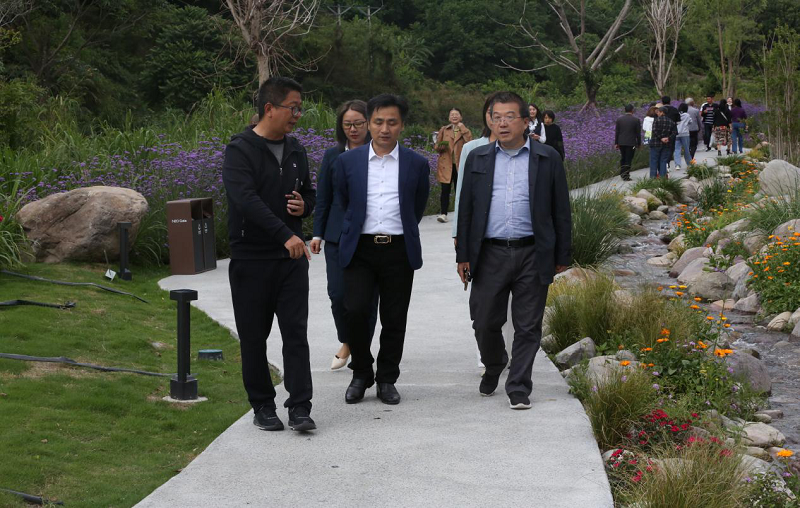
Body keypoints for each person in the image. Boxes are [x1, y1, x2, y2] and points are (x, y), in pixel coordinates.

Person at [456, 91, 572, 410]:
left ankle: (519, 385)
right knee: (483, 321)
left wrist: (562, 254)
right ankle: (495, 363)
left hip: (533, 252)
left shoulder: (547, 157)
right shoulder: (478, 158)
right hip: (489, 253)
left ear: (525, 121)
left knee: (528, 325)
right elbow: (466, 209)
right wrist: (462, 254)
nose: (502, 123)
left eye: (509, 117)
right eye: (496, 117)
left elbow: (561, 209)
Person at [222, 76, 316, 432]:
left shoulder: (296, 150)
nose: (297, 115)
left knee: (296, 335)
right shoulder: (240, 150)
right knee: (253, 337)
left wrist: (304, 206)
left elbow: (309, 192)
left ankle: (300, 407)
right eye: (293, 108)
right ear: (269, 108)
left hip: (291, 261)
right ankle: (262, 405)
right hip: (252, 260)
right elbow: (245, 200)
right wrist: (284, 235)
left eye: (300, 109)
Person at [333, 94, 430, 406]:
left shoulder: (416, 164)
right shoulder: (348, 162)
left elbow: (416, 207)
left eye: (392, 122)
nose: (384, 129)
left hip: (398, 249)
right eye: (378, 122)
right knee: (355, 311)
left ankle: (387, 378)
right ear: (369, 124)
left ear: (401, 125)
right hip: (360, 249)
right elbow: (344, 201)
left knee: (394, 317)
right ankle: (362, 372)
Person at [310, 100, 379, 371]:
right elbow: (323, 197)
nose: (353, 129)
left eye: (358, 123)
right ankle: (348, 340)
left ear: (368, 123)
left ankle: (358, 350)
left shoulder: (379, 153)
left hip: (369, 236)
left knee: (366, 298)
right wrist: (317, 233)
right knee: (338, 294)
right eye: (347, 124)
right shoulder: (333, 155)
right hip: (338, 236)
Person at [435, 108, 473, 223]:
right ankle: (443, 214)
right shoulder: (444, 130)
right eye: (452, 114)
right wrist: (441, 146)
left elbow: (470, 143)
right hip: (446, 164)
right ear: (449, 118)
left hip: (459, 164)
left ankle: (460, 214)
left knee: (459, 190)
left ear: (461, 117)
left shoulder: (465, 130)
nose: (454, 116)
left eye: (457, 114)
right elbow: (436, 146)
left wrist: (462, 128)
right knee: (445, 190)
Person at [614, 104, 642, 181]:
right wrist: (639, 143)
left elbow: (617, 132)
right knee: (628, 158)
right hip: (631, 143)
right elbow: (638, 133)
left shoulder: (619, 119)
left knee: (623, 157)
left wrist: (616, 143)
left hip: (621, 142)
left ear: (625, 110)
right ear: (632, 110)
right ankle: (625, 175)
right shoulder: (636, 120)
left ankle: (622, 172)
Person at [649, 106, 677, 178]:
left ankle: (653, 178)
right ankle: (662, 178)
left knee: (654, 161)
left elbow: (654, 130)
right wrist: (668, 138)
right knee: (663, 161)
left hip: (656, 143)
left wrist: (661, 138)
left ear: (662, 112)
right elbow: (674, 132)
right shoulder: (671, 121)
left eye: (658, 112)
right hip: (666, 144)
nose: (657, 113)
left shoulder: (656, 120)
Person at [673, 103, 693, 170]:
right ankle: (689, 164)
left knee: (677, 149)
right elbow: (690, 121)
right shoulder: (687, 115)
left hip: (676, 133)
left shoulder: (676, 114)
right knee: (686, 149)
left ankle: (677, 165)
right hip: (685, 133)